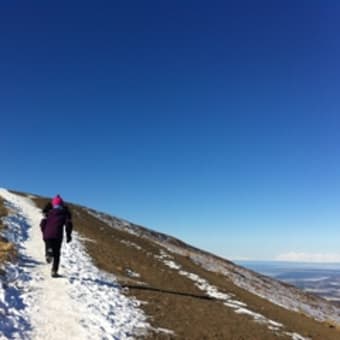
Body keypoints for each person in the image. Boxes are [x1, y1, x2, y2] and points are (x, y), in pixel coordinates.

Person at [40, 195, 73, 277]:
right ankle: (54, 271)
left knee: (49, 246)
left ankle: (48, 253)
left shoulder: (48, 213)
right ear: (62, 205)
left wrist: (44, 232)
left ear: (53, 205)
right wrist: (68, 235)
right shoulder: (64, 214)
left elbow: (42, 223)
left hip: (47, 235)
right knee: (57, 254)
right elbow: (68, 224)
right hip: (57, 236)